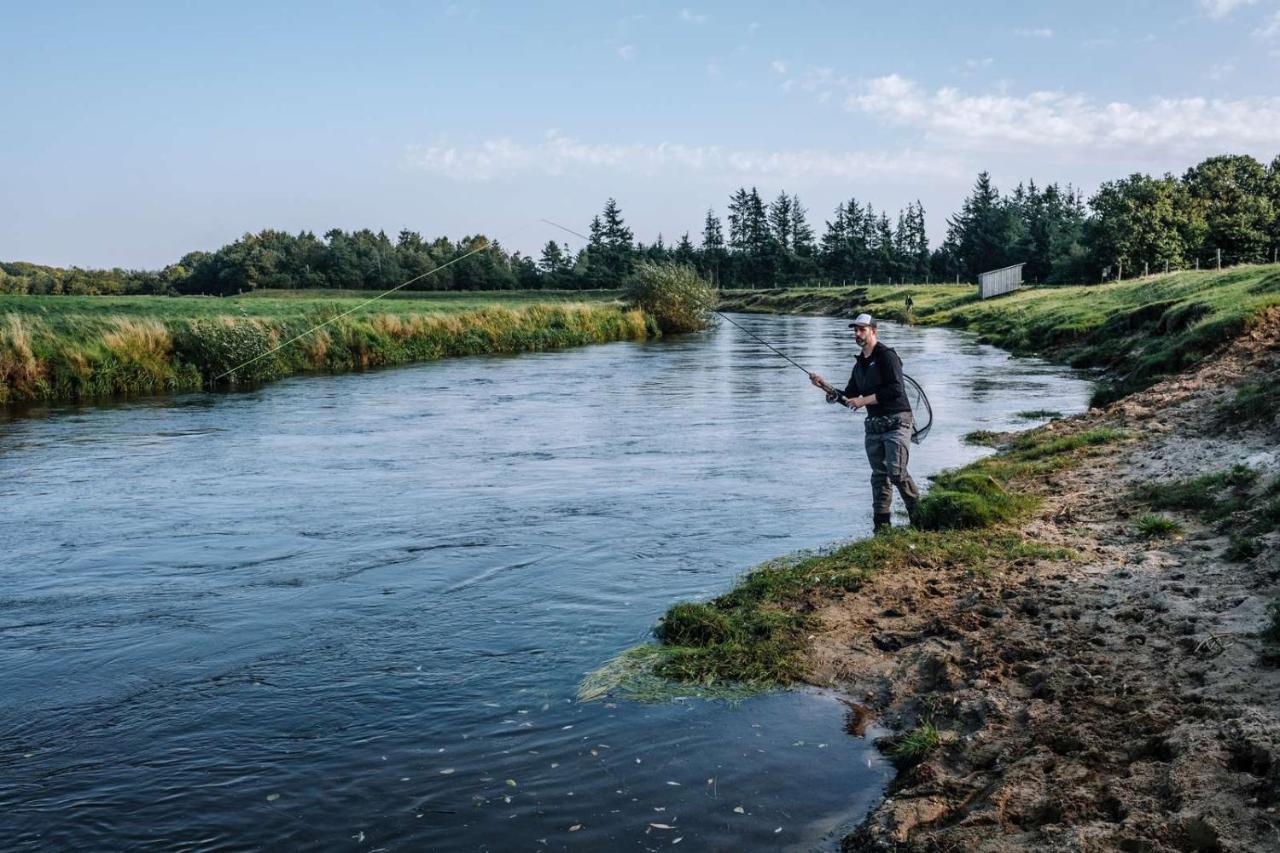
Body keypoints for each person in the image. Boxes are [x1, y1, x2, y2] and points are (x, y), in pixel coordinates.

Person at [809, 313, 920, 533]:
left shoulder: (888, 356)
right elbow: (849, 397)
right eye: (855, 330)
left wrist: (864, 400)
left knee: (896, 472)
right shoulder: (859, 364)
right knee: (879, 476)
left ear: (873, 331)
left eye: (862, 329)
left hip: (898, 421)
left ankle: (920, 516)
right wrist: (824, 386)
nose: (857, 334)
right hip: (875, 426)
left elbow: (895, 390)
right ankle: (882, 526)